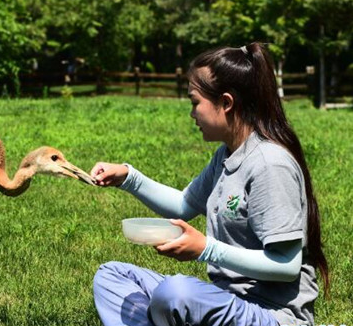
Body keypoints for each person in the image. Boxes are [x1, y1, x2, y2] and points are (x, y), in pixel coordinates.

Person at [90, 42, 329, 326]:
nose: (192, 114)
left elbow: (287, 266)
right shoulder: (227, 155)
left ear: (226, 103)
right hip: (226, 300)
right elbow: (184, 204)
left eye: (195, 103)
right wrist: (128, 177)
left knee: (176, 292)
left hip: (272, 316)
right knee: (112, 275)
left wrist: (207, 249)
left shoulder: (269, 163)